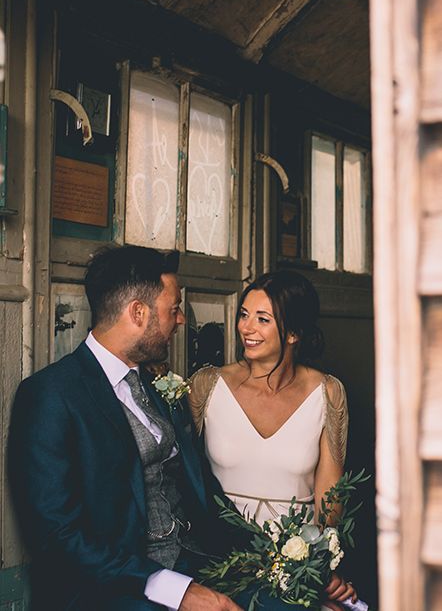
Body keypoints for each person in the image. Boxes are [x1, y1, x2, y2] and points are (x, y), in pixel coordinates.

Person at [8, 245, 244, 611]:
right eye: (174, 309)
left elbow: (204, 489)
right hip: (116, 589)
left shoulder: (156, 385)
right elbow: (56, 535)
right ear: (138, 312)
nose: (180, 321)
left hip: (202, 562)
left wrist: (275, 557)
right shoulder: (51, 395)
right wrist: (176, 591)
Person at [188, 270, 357, 609]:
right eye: (244, 314)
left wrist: (321, 570)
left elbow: (330, 498)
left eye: (262, 319)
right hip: (220, 563)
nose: (246, 328)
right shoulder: (207, 385)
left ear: (293, 332)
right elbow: (183, 479)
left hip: (296, 569)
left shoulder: (327, 392)